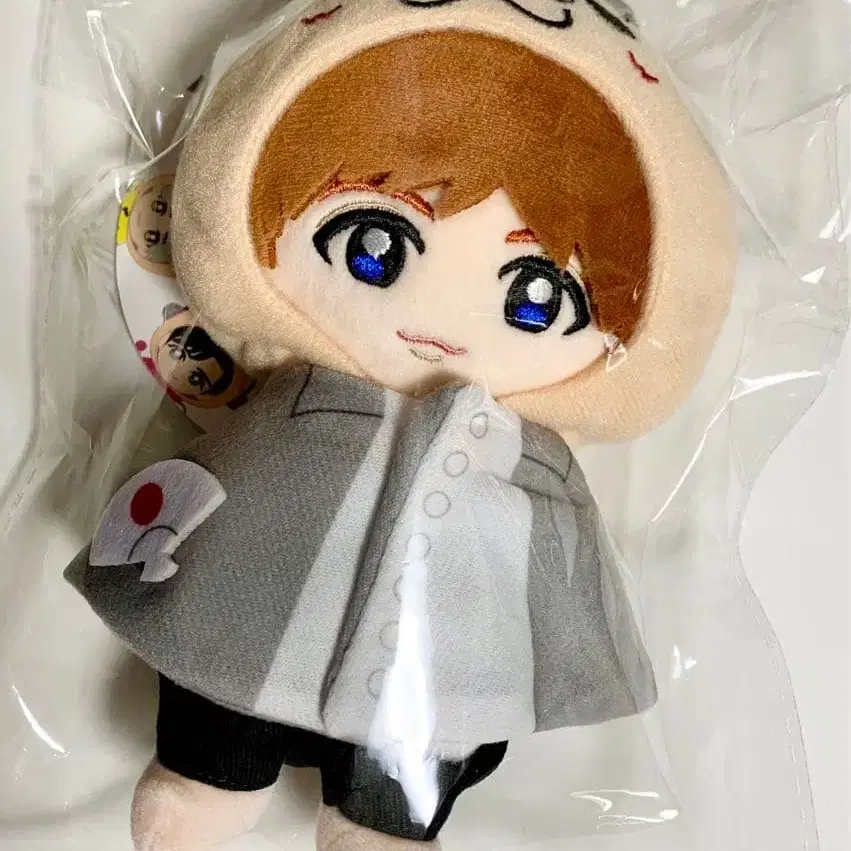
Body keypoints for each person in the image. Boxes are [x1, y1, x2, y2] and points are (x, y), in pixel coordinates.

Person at [67, 2, 735, 850]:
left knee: (444, 717)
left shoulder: (531, 464)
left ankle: (380, 819)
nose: (440, 323)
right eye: (373, 245)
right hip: (253, 616)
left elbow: (551, 576)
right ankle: (211, 771)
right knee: (218, 665)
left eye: (535, 299)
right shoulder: (294, 401)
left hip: (444, 662)